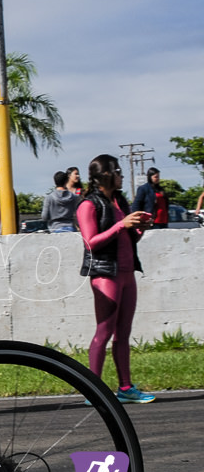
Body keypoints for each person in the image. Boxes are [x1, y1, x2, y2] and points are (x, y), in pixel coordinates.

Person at [77, 154, 154, 404]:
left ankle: (125, 387)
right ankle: (94, 390)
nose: (122, 176)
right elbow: (91, 243)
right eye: (119, 171)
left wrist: (139, 227)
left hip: (126, 272)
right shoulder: (88, 205)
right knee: (104, 331)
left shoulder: (120, 200)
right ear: (107, 174)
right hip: (105, 274)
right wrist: (122, 224)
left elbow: (128, 237)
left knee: (124, 332)